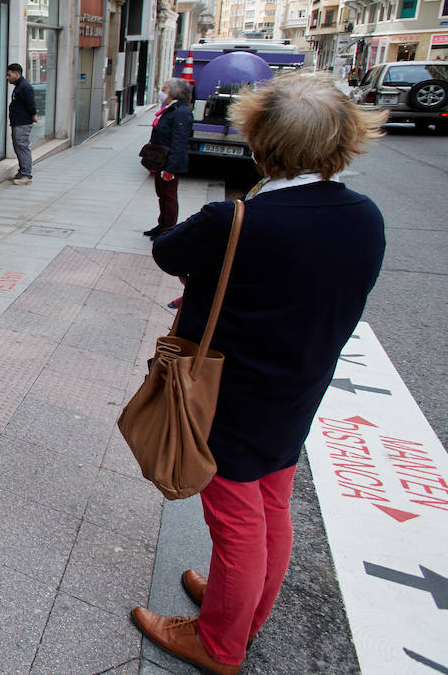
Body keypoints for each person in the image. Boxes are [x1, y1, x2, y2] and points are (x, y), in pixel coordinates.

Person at [134, 72, 386, 675]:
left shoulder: (239, 220)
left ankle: (220, 642)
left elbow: (167, 250)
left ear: (261, 141)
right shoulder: (364, 216)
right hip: (299, 387)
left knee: (236, 518)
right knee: (272, 502)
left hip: (229, 392)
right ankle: (242, 608)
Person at [145, 78, 195, 238]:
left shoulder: (181, 112)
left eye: (165, 89)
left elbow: (179, 142)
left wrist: (170, 168)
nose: (161, 91)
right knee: (162, 194)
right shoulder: (172, 109)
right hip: (161, 159)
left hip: (168, 162)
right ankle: (162, 225)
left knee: (169, 196)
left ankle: (168, 230)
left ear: (175, 93)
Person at [6, 63, 37, 185]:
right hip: (17, 122)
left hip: (22, 123)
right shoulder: (19, 86)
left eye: (9, 75)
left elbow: (31, 104)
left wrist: (33, 115)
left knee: (22, 147)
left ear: (17, 74)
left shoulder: (24, 87)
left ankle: (26, 174)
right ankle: (22, 171)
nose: (7, 77)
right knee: (18, 147)